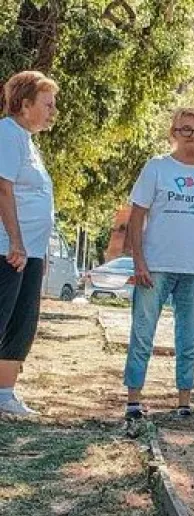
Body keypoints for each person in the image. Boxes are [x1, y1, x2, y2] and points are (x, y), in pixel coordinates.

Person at [123, 107, 194, 419]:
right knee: (142, 332)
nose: (193, 135)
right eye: (186, 129)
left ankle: (184, 401)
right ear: (173, 133)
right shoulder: (157, 167)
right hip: (155, 266)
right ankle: (133, 399)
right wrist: (139, 261)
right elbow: (136, 216)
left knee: (189, 337)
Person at [0, 70, 58, 416]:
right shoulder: (7, 134)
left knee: (22, 322)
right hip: (8, 249)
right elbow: (3, 189)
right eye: (47, 104)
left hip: (31, 251)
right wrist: (18, 243)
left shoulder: (28, 141)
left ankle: (4, 394)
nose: (53, 111)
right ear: (25, 105)